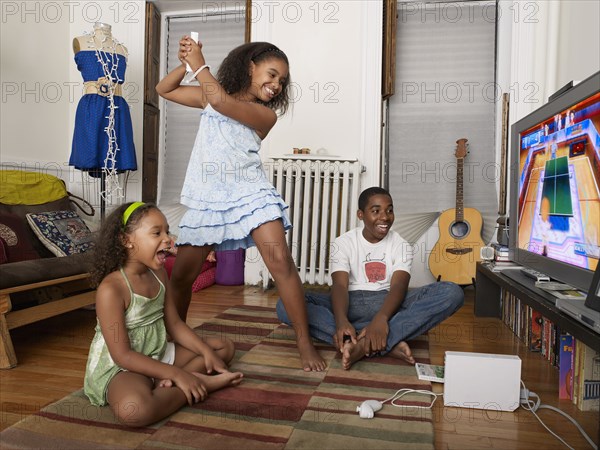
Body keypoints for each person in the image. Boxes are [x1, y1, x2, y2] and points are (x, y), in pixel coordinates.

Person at [155, 38, 326, 372]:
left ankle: (305, 342)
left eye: (282, 82)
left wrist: (201, 64)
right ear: (250, 66)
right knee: (181, 277)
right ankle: (173, 343)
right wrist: (188, 65)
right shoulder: (210, 95)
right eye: (272, 75)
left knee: (281, 262)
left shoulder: (264, 115)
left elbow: (219, 100)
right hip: (208, 197)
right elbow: (165, 89)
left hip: (251, 194)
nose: (276, 85)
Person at [84, 202, 243, 427]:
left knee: (223, 348)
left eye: (167, 231)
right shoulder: (111, 289)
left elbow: (175, 324)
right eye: (157, 233)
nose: (168, 239)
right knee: (135, 410)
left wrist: (206, 352)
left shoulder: (158, 274)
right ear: (126, 240)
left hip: (157, 350)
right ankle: (201, 384)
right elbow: (123, 356)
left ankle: (169, 381)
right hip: (124, 365)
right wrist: (178, 374)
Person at [277, 187, 465, 370]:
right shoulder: (343, 242)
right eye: (376, 211)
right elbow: (340, 286)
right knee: (285, 305)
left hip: (388, 302)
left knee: (452, 292)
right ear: (361, 215)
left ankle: (362, 344)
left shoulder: (401, 244)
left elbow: (399, 285)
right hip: (349, 303)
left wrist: (382, 318)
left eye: (389, 210)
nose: (384, 217)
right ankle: (384, 342)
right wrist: (341, 320)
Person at [70, 22, 137, 177]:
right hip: (91, 106)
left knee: (117, 153)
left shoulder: (121, 48)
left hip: (118, 107)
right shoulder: (80, 42)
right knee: (91, 154)